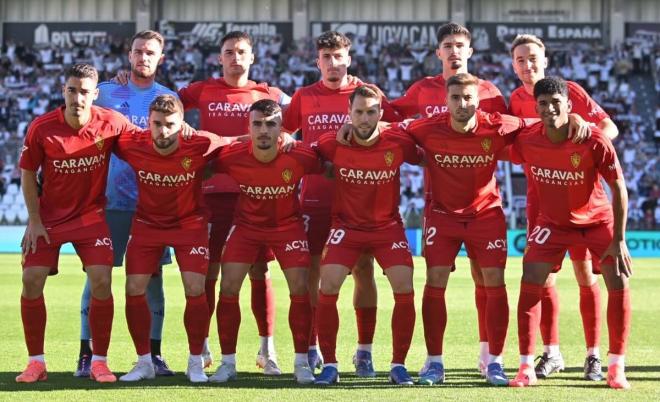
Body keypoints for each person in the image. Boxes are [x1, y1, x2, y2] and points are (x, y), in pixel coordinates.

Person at [390, 23, 508, 375]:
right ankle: (434, 361)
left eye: (460, 45)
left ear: (470, 51)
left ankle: (490, 357)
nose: (454, 50)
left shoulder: (490, 92)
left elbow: (513, 128)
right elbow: (389, 119)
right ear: (438, 52)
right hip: (439, 204)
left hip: (484, 206)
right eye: (447, 45)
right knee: (436, 279)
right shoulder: (422, 90)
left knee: (486, 280)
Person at [282, 31, 400, 374]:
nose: (333, 64)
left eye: (338, 57)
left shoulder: (368, 94)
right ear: (317, 61)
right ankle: (315, 345)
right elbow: (284, 134)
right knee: (316, 274)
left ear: (348, 58)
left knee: (364, 271)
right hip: (316, 199)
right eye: (326, 57)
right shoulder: (305, 96)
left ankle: (364, 350)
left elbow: (393, 128)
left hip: (361, 202)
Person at [17, 63, 141, 383]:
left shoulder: (112, 123)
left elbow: (144, 143)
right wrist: (33, 220)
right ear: (64, 92)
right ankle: (36, 363)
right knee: (31, 279)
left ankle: (99, 361)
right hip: (49, 219)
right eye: (72, 90)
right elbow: (28, 173)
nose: (78, 97)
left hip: (90, 217)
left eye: (84, 91)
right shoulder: (41, 127)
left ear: (95, 95)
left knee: (101, 281)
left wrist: (180, 129)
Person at [178, 31, 291, 372]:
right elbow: (165, 103)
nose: (235, 57)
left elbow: (297, 111)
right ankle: (204, 347)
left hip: (254, 195)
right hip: (213, 194)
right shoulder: (202, 89)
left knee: (260, 269)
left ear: (252, 58)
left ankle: (266, 348)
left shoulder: (265, 93)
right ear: (220, 58)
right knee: (208, 272)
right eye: (229, 52)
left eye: (242, 52)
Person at [508, 77, 632, 390]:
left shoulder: (593, 140)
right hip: (552, 224)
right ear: (535, 107)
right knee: (531, 279)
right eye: (543, 104)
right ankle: (526, 368)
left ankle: (616, 366)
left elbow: (618, 188)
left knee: (617, 280)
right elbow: (494, 133)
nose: (550, 109)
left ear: (569, 105)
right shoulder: (527, 138)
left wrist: (618, 239)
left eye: (556, 103)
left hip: (595, 221)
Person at [399, 73, 523, 386]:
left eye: (468, 98)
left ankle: (495, 361)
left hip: (486, 215)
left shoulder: (497, 124)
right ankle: (435, 361)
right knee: (435, 280)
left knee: (494, 280)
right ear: (446, 100)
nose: (462, 103)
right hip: (442, 216)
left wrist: (576, 118)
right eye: (456, 98)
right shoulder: (426, 127)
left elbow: (532, 123)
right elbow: (391, 130)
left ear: (478, 100)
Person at [76, 29, 177, 378]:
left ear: (160, 58)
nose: (143, 57)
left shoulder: (169, 98)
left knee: (153, 282)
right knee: (97, 278)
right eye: (138, 51)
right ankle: (86, 355)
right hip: (108, 204)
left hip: (151, 207)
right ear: (129, 54)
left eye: (150, 52)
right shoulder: (104, 92)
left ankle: (154, 354)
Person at [311, 85, 422, 386]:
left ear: (380, 114)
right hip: (346, 227)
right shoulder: (331, 143)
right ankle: (330, 364)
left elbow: (425, 155)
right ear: (349, 113)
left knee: (404, 284)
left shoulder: (398, 141)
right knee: (329, 283)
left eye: (371, 111)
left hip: (387, 228)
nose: (364, 117)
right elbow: (308, 155)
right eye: (358, 111)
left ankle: (398, 365)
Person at [114, 95, 229, 383]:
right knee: (133, 288)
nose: (162, 131)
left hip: (189, 225)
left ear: (182, 125)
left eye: (169, 125)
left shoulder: (201, 143)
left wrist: (286, 138)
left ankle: (195, 363)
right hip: (146, 225)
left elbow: (237, 140)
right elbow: (107, 126)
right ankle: (144, 363)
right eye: (156, 124)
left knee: (195, 288)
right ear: (148, 123)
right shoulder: (133, 143)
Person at [209, 99, 319, 384]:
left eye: (271, 124)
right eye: (257, 124)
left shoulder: (301, 155)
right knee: (229, 286)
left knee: (300, 287)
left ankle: (301, 363)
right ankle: (228, 363)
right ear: (248, 127)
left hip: (288, 227)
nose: (263, 131)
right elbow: (203, 165)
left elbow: (330, 165)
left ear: (282, 128)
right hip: (246, 227)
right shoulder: (232, 156)